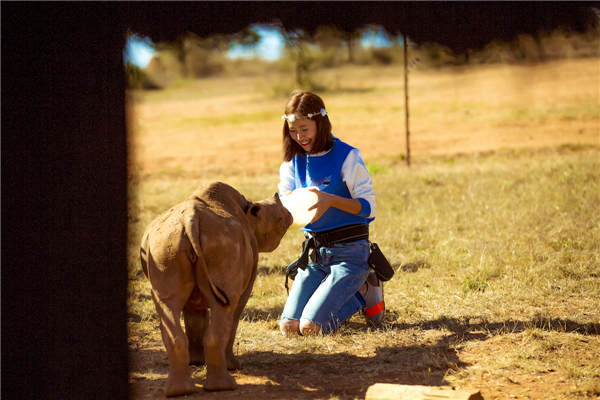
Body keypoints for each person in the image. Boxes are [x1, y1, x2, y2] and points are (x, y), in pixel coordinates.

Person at [278, 90, 384, 336]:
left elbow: (369, 208)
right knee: (289, 328)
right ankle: (346, 292)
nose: (299, 137)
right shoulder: (291, 161)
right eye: (293, 130)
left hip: (350, 254)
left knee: (311, 328)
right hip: (315, 255)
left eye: (304, 129)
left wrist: (330, 201)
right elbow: (285, 202)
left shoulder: (348, 156)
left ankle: (364, 291)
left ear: (320, 123)